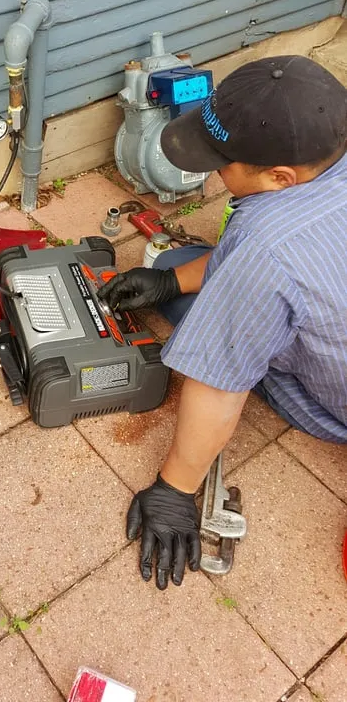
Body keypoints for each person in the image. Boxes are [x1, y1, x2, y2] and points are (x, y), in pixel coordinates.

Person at [97, 55, 347, 591]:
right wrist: (170, 281)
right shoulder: (332, 146)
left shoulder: (266, 242)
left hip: (336, 405)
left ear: (281, 177)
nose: (214, 172)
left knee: (206, 322)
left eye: (223, 162)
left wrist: (175, 489)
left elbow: (217, 383)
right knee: (173, 271)